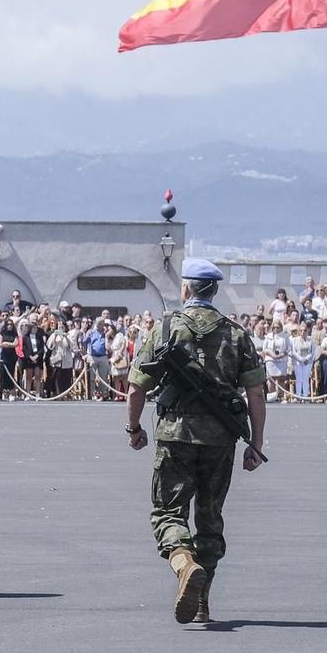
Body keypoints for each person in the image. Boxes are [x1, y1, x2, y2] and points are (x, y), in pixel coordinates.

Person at [125, 258, 266, 626]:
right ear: (214, 291)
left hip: (175, 435)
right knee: (209, 516)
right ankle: (202, 601)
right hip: (220, 440)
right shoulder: (236, 334)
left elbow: (136, 385)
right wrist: (256, 443)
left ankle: (184, 564)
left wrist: (134, 429)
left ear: (186, 290)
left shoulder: (166, 329)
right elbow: (256, 393)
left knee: (167, 512)